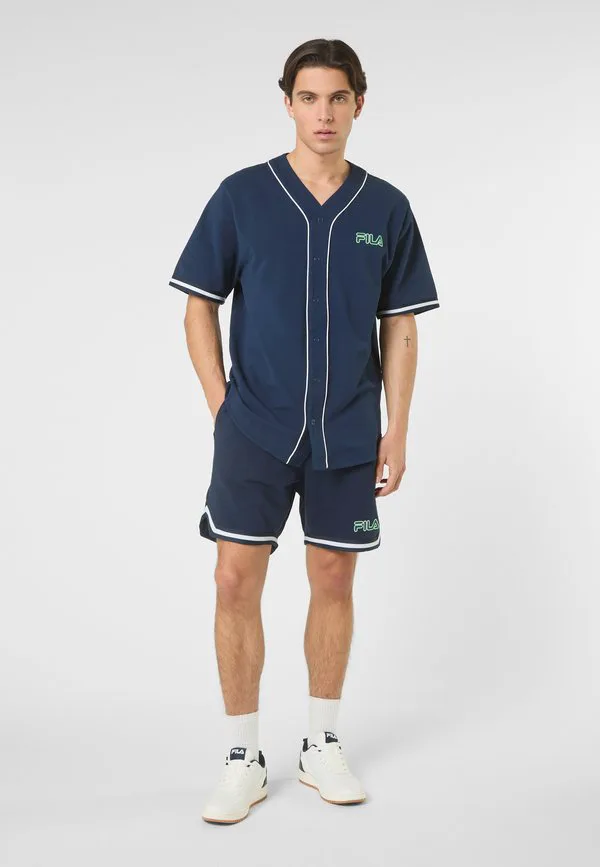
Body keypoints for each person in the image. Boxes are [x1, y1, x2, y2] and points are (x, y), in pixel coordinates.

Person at [168, 38, 440, 824]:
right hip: (253, 428)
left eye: (338, 98)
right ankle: (242, 755)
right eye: (310, 98)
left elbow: (401, 325)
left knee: (334, 578)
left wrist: (398, 428)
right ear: (287, 102)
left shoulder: (386, 208)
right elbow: (198, 305)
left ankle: (321, 741)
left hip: (349, 432)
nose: (324, 113)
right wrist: (223, 407)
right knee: (233, 579)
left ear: (360, 103)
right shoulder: (242, 196)